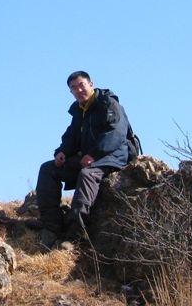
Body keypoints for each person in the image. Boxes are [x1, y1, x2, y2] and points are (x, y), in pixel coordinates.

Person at [35, 71, 130, 250]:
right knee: (48, 169)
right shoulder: (79, 110)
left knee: (87, 175)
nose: (78, 90)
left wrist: (94, 154)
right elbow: (71, 137)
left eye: (81, 85)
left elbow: (116, 133)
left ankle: (75, 236)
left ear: (90, 84)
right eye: (74, 88)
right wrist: (62, 152)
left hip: (113, 157)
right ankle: (52, 226)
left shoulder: (108, 103)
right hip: (89, 158)